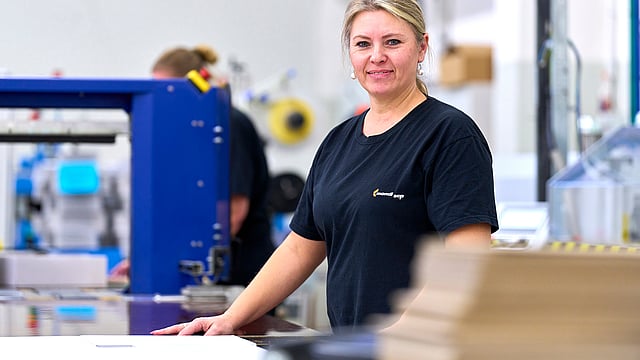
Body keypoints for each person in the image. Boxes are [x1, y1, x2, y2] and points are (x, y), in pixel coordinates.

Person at [151, 0, 498, 336]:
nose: (377, 56)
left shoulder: (449, 135)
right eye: (363, 44)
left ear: (421, 48)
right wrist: (230, 317)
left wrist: (393, 339)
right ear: (351, 53)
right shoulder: (338, 141)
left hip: (417, 347)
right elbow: (301, 247)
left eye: (393, 42)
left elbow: (467, 257)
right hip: (354, 343)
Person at [109, 45, 276, 288]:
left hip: (240, 271)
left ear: (193, 85)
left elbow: (234, 210)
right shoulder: (192, 128)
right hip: (206, 267)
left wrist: (176, 258)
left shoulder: (229, 123)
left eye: (167, 90)